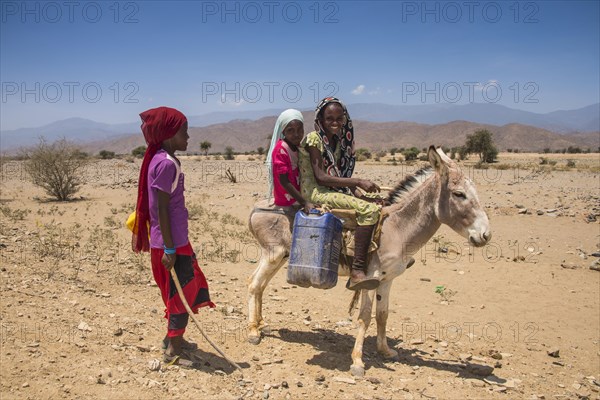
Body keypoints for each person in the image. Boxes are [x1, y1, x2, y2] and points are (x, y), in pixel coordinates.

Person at [132, 106, 214, 367]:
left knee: (175, 292)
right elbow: (162, 208)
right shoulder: (167, 163)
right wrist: (170, 249)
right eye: (184, 132)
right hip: (172, 244)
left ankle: (172, 339)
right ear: (169, 135)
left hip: (169, 242)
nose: (188, 137)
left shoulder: (157, 158)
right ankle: (173, 351)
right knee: (182, 295)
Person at [298, 97, 381, 291]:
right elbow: (321, 177)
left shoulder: (336, 141)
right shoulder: (314, 139)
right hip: (316, 192)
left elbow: (338, 173)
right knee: (368, 210)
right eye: (329, 119)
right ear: (320, 119)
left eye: (339, 118)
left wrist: (356, 192)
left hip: (329, 189)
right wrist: (357, 182)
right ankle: (357, 271)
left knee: (377, 203)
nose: (335, 123)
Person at [266, 109, 314, 213]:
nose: (296, 134)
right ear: (283, 131)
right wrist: (304, 202)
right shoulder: (281, 150)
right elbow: (284, 181)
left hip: (298, 195)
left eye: (299, 130)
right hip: (287, 198)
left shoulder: (297, 147)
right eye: (290, 130)